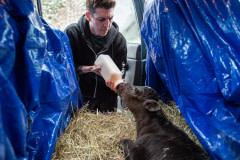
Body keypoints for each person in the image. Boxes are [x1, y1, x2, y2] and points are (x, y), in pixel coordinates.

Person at [65, 0, 127, 112]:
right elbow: (63, 70)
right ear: (88, 16)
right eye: (101, 19)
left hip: (107, 99)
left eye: (111, 18)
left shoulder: (119, 40)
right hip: (80, 98)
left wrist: (116, 85)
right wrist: (87, 69)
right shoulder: (72, 34)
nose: (107, 25)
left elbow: (121, 72)